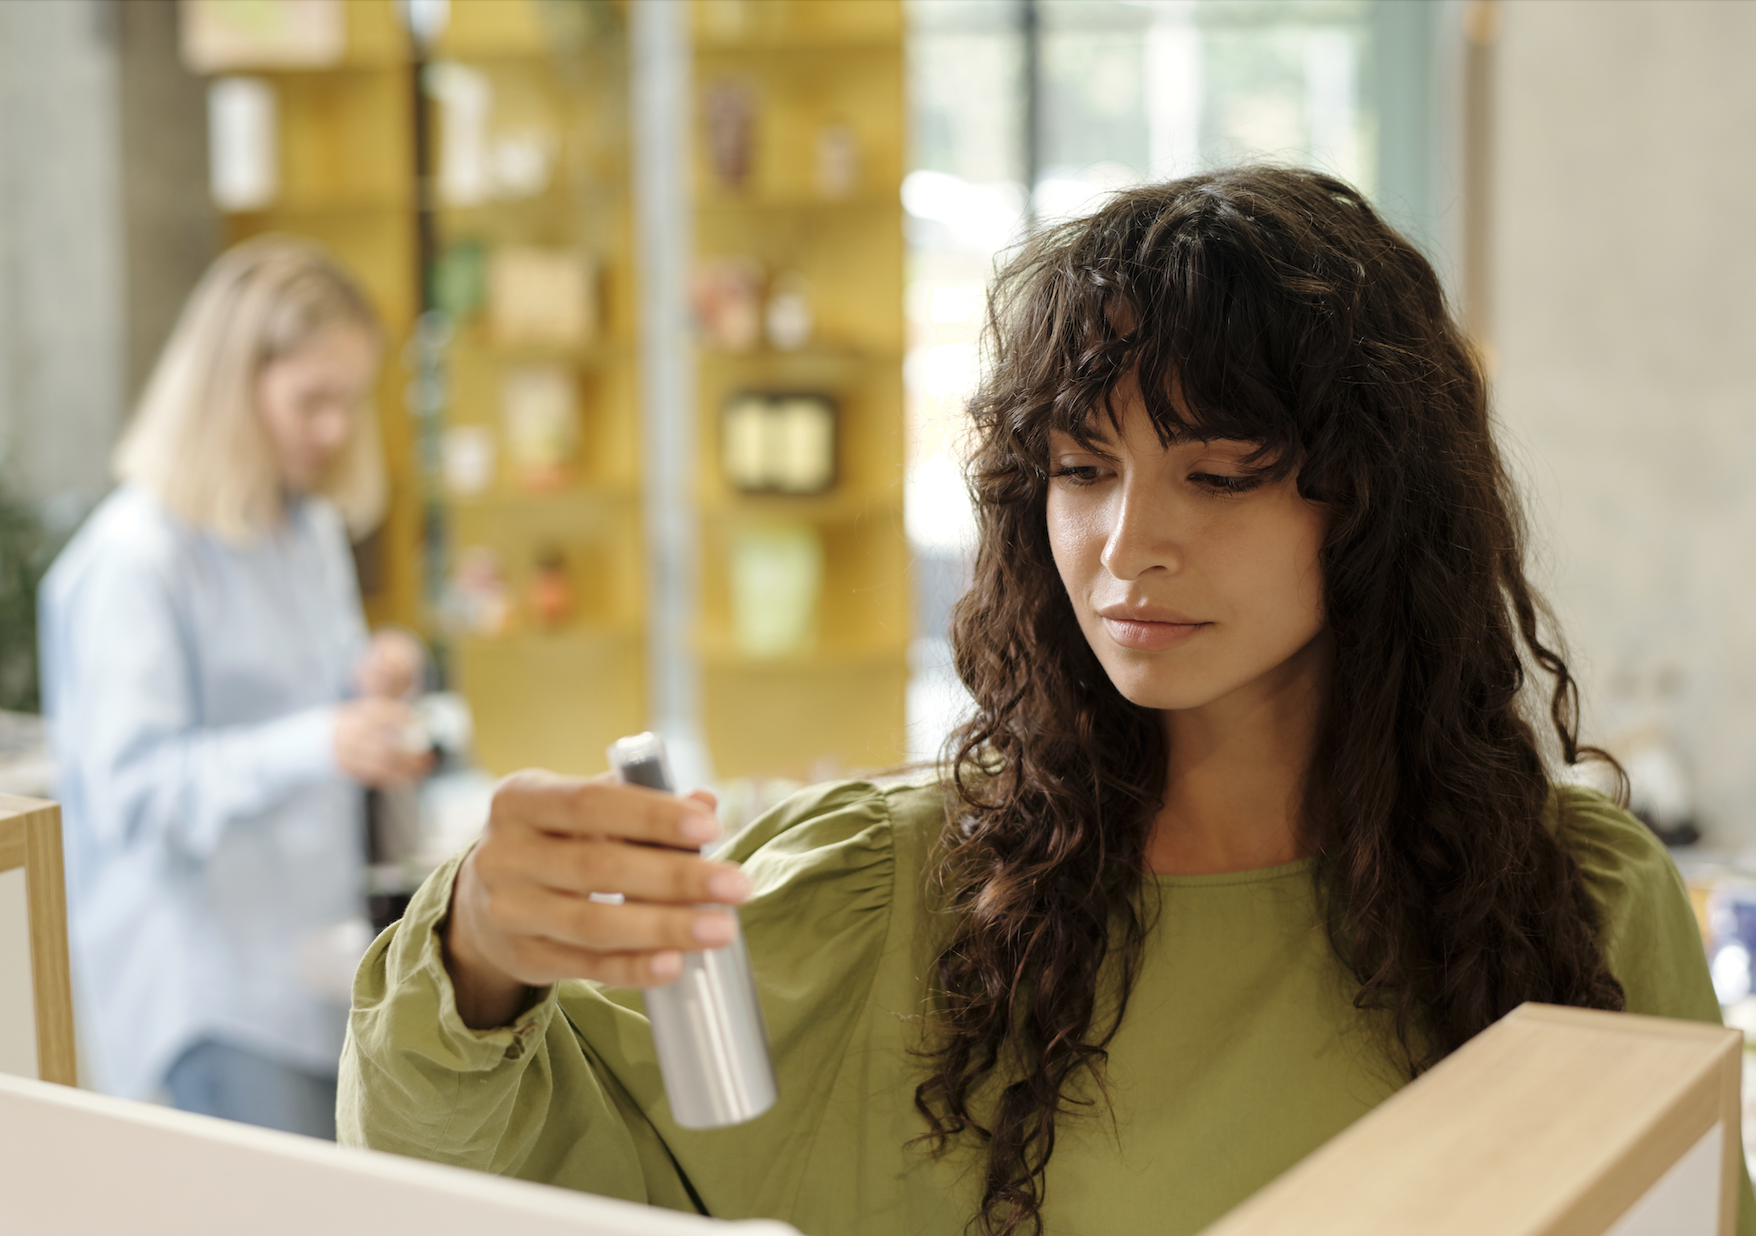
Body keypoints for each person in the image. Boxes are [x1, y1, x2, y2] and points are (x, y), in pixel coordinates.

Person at [337, 169, 1755, 1234]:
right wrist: (475, 953)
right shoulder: (884, 901)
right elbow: (499, 1177)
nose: (1128, 543)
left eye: (1217, 471)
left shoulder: (1581, 908)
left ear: (1375, 501)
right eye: (1081, 467)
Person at [41, 236, 431, 1139]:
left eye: (349, 402)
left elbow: (297, 700)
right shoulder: (133, 560)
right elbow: (132, 791)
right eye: (312, 401)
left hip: (311, 973)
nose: (335, 429)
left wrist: (368, 678)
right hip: (207, 993)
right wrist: (321, 741)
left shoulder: (304, 530)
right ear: (231, 387)